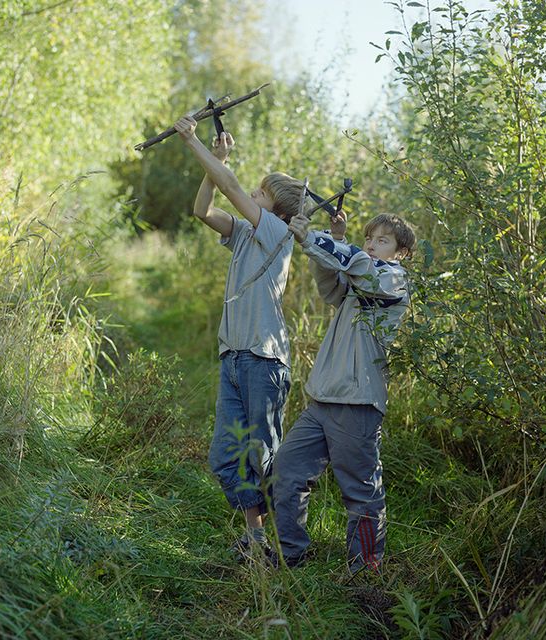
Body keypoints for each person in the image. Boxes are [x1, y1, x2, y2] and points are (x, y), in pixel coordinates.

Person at [174, 115, 311, 557]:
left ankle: (285, 543)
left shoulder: (276, 232)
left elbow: (230, 186)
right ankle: (257, 537)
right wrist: (215, 160)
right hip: (233, 357)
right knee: (225, 455)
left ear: (278, 211)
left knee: (262, 456)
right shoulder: (246, 235)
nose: (252, 193)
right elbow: (203, 211)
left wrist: (194, 143)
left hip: (264, 360)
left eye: (261, 193)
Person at [272, 210, 416, 574]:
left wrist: (313, 238)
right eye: (369, 238)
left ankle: (365, 569)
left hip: (358, 403)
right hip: (322, 399)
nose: (371, 245)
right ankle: (291, 553)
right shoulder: (360, 279)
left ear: (401, 253)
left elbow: (359, 266)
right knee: (287, 470)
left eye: (382, 240)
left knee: (361, 491)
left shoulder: (393, 280)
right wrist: (334, 239)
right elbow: (330, 284)